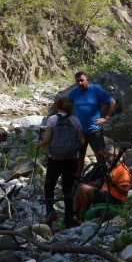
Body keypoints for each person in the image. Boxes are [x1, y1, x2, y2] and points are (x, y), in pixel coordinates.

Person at [37, 97, 84, 228]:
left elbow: (47, 139)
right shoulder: (76, 120)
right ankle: (68, 219)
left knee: (49, 185)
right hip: (71, 159)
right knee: (67, 189)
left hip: (55, 159)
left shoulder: (52, 119)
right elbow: (82, 141)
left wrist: (39, 146)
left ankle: (50, 211)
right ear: (70, 108)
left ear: (57, 107)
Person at [67, 72, 116, 168]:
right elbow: (67, 106)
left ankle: (102, 177)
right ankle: (77, 179)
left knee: (100, 155)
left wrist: (105, 118)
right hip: (79, 131)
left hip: (94, 129)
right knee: (79, 156)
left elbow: (112, 102)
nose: (80, 83)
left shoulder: (95, 90)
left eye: (82, 80)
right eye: (77, 81)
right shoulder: (74, 92)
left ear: (87, 80)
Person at [73, 150, 132, 219]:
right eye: (105, 158)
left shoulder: (124, 171)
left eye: (107, 158)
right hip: (106, 194)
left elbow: (125, 192)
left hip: (115, 199)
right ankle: (74, 214)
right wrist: (98, 184)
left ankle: (84, 215)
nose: (106, 161)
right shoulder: (113, 168)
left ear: (116, 157)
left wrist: (112, 183)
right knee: (81, 186)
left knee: (83, 188)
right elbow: (107, 184)